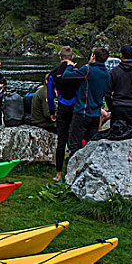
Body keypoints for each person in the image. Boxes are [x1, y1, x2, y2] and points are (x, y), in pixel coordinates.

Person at [62, 47, 111, 157]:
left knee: (74, 144)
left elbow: (66, 76)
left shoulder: (87, 70)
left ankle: (73, 170)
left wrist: (69, 65)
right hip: (96, 113)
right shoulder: (107, 74)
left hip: (82, 112)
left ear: (93, 57)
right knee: (90, 145)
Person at [47, 46, 81, 182]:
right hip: (75, 107)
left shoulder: (53, 74)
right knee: (75, 140)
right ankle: (74, 170)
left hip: (62, 108)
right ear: (71, 58)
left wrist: (51, 111)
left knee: (61, 141)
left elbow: (50, 96)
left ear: (60, 58)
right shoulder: (77, 72)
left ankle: (58, 173)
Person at [105, 45, 132, 130]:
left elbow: (107, 93)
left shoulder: (114, 71)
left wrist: (111, 106)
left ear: (121, 55)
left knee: (116, 133)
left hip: (117, 106)